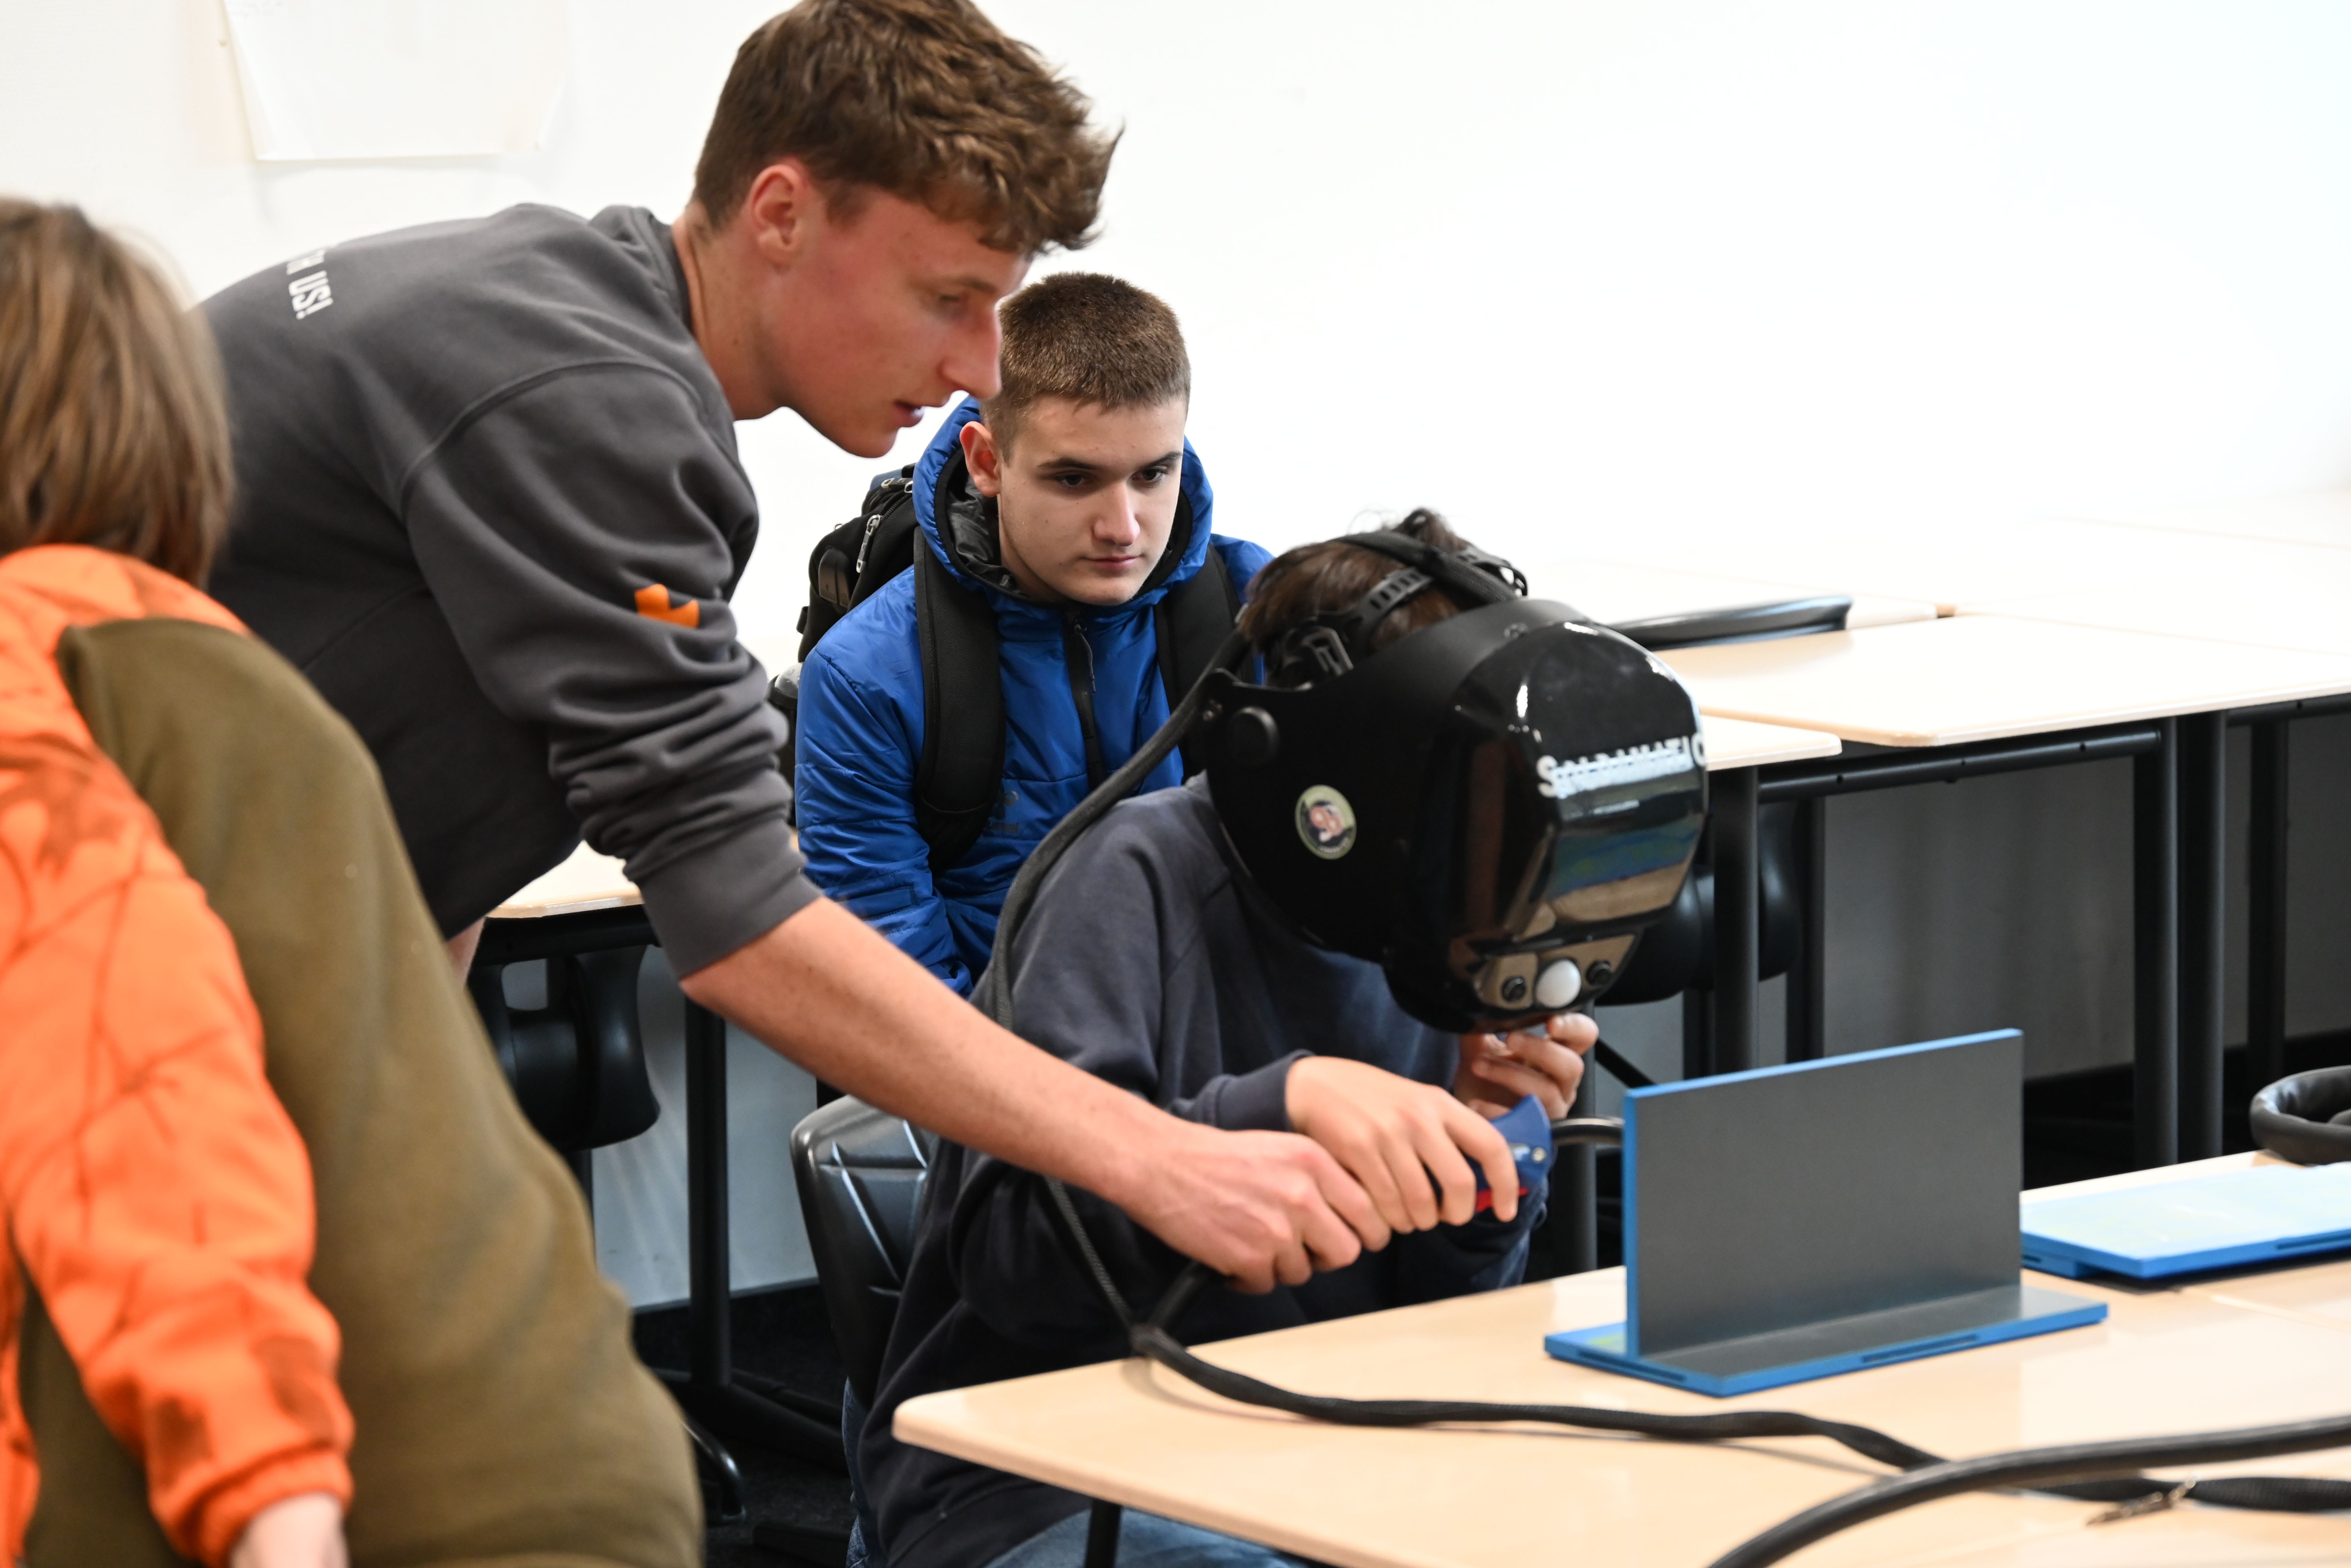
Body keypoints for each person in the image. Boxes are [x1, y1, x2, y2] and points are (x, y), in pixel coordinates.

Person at [198, 0, 1422, 1294]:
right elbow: (739, 922)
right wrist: (1157, 1156)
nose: (977, 364)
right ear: (780, 213)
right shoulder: (587, 406)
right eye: (947, 299)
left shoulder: (554, 307)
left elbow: (412, 819)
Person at [2, 202, 696, 1568]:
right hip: (529, 1446)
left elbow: (152, 1106)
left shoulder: (46, 672)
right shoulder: (207, 674)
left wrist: (275, 1508)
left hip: (364, 1500)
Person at [858, 512, 1603, 1568]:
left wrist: (1483, 1156)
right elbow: (1018, 1270)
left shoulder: (1442, 917)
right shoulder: (1128, 879)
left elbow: (1437, 1328)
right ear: (1324, 759)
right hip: (1047, 1483)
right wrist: (1273, 1106)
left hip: (1329, 1447)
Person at [795, 272, 1269, 992]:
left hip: (1227, 1041)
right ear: (988, 462)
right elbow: (893, 978)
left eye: (1153, 475)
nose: (1123, 528)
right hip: (992, 1047)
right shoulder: (866, 676)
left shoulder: (1256, 609)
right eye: (1074, 479)